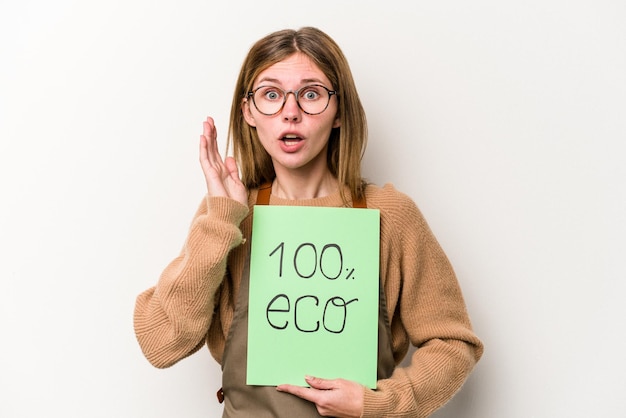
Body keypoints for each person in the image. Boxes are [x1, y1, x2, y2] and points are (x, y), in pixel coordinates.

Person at [134, 26, 483, 418]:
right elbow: (161, 343)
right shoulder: (230, 213)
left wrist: (379, 403)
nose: (291, 111)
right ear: (249, 111)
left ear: (339, 112)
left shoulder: (390, 216)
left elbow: (454, 344)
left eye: (311, 94)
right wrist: (220, 220)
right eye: (271, 94)